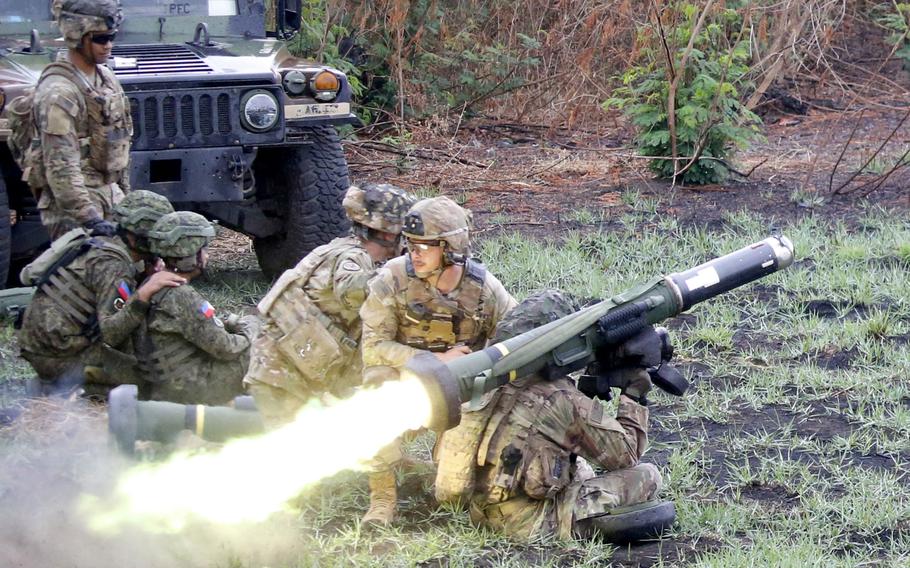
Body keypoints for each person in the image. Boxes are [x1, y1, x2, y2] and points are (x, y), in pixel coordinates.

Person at [433, 290, 675, 543]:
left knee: (580, 468)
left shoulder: (479, 380)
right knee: (647, 475)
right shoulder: (557, 397)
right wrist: (633, 395)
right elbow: (625, 455)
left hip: (476, 511)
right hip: (529, 524)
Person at [359, 196, 518, 526]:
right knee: (374, 385)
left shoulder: (483, 289)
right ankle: (383, 497)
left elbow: (518, 335)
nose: (414, 254)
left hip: (460, 397)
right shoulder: (392, 280)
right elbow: (374, 347)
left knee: (451, 489)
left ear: (450, 248)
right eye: (411, 244)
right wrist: (435, 360)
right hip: (404, 383)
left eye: (425, 246)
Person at [243, 183, 415, 427]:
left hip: (292, 372)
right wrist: (403, 276)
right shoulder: (351, 258)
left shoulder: (341, 249)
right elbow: (350, 289)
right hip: (282, 377)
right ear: (389, 234)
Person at [18, 190, 183, 396]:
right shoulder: (114, 265)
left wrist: (144, 277)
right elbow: (112, 334)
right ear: (141, 237)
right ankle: (59, 386)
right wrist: (144, 294)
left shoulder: (104, 242)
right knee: (152, 380)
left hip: (46, 342)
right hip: (60, 353)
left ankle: (58, 380)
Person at [33, 0, 132, 239]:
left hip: (111, 193)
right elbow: (61, 167)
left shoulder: (106, 78)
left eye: (112, 37)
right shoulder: (59, 92)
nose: (108, 45)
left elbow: (122, 140)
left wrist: (129, 199)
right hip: (74, 205)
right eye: (100, 39)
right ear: (77, 36)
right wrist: (89, 218)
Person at [137, 211, 260, 405]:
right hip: (191, 389)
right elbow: (226, 348)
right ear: (189, 256)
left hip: (165, 384)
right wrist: (251, 329)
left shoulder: (152, 284)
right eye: (203, 249)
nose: (207, 254)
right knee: (259, 351)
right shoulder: (182, 296)